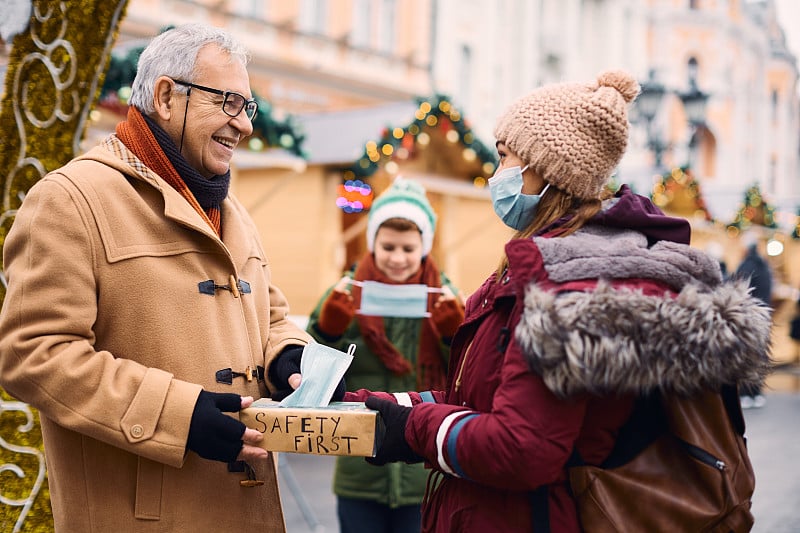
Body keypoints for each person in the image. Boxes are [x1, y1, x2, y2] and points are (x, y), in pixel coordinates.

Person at [345, 70, 772, 532]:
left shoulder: (568, 289)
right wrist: (363, 406)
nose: (496, 173)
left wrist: (412, 428)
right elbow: (482, 400)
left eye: (504, 156)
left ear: (542, 168)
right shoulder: (545, 270)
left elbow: (519, 449)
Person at [0, 23, 339, 532]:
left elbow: (270, 317)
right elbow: (34, 352)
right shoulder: (69, 199)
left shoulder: (232, 211)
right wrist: (178, 416)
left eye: (246, 107)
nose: (244, 125)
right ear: (165, 95)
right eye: (228, 102)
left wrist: (287, 354)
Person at [306, 177, 465, 533]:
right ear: (372, 242)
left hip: (421, 472)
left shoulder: (445, 297)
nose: (397, 258)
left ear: (424, 246)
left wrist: (452, 336)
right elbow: (310, 371)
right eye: (388, 246)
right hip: (358, 466)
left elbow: (468, 375)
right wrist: (327, 329)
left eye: (408, 249)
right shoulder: (346, 292)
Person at [734, 234, 773, 409]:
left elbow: (735, 286)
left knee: (745, 356)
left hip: (748, 316)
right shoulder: (764, 265)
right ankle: (756, 392)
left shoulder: (747, 265)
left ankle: (746, 393)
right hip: (764, 315)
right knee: (759, 355)